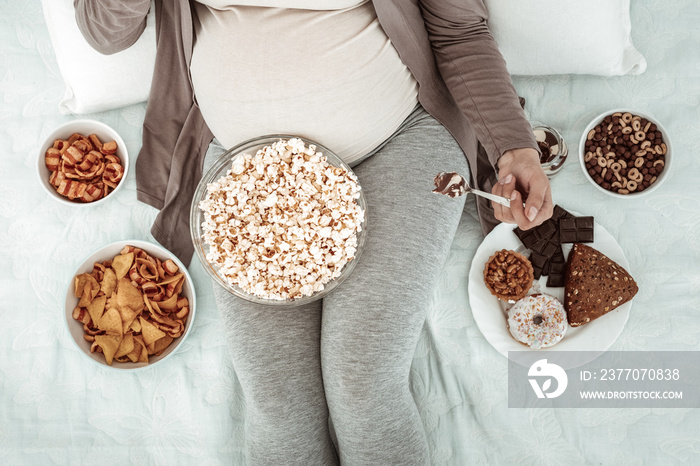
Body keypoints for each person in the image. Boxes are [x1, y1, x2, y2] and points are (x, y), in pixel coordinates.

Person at [76, 0, 553, 464]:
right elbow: (104, 32)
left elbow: (460, 31)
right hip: (249, 171)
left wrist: (515, 146)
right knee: (277, 404)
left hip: (398, 141)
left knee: (363, 385)